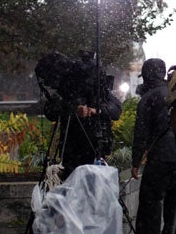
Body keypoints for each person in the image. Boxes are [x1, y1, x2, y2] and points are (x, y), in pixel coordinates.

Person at [131, 57, 176, 234]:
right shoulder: (175, 94)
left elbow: (141, 133)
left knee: (150, 201)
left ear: (146, 75)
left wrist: (135, 163)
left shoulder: (148, 98)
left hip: (160, 157)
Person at [42, 51, 122, 180]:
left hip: (96, 149)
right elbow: (51, 112)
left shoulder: (101, 92)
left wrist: (97, 110)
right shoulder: (66, 92)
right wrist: (73, 110)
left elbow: (116, 110)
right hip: (72, 150)